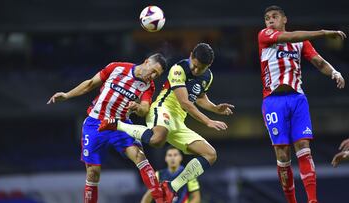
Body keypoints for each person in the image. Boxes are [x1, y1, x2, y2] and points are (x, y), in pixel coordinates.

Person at [99, 43, 234, 202]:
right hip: (163, 110)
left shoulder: (208, 77)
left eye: (201, 68)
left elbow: (199, 97)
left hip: (179, 122)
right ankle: (117, 124)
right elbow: (185, 102)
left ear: (209, 66)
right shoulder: (178, 69)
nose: (196, 70)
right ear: (191, 56)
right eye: (195, 66)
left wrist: (216, 109)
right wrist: (208, 121)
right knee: (157, 140)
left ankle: (171, 187)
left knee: (210, 154)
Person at [47, 53, 167, 203]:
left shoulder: (149, 86)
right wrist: (67, 95)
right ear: (147, 62)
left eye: (157, 74)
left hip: (120, 125)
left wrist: (137, 107)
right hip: (95, 124)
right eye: (154, 71)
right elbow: (90, 84)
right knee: (93, 173)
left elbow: (145, 108)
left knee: (140, 157)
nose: (154, 76)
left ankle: (161, 200)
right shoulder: (117, 67)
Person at [258, 5, 346, 203]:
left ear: (284, 19)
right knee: (283, 154)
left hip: (297, 99)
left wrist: (334, 72)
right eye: (267, 18)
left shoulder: (301, 43)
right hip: (274, 101)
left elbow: (318, 62)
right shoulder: (264, 36)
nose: (270, 20)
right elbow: (289, 37)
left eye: (274, 17)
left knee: (304, 147)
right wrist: (323, 33)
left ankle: (312, 200)